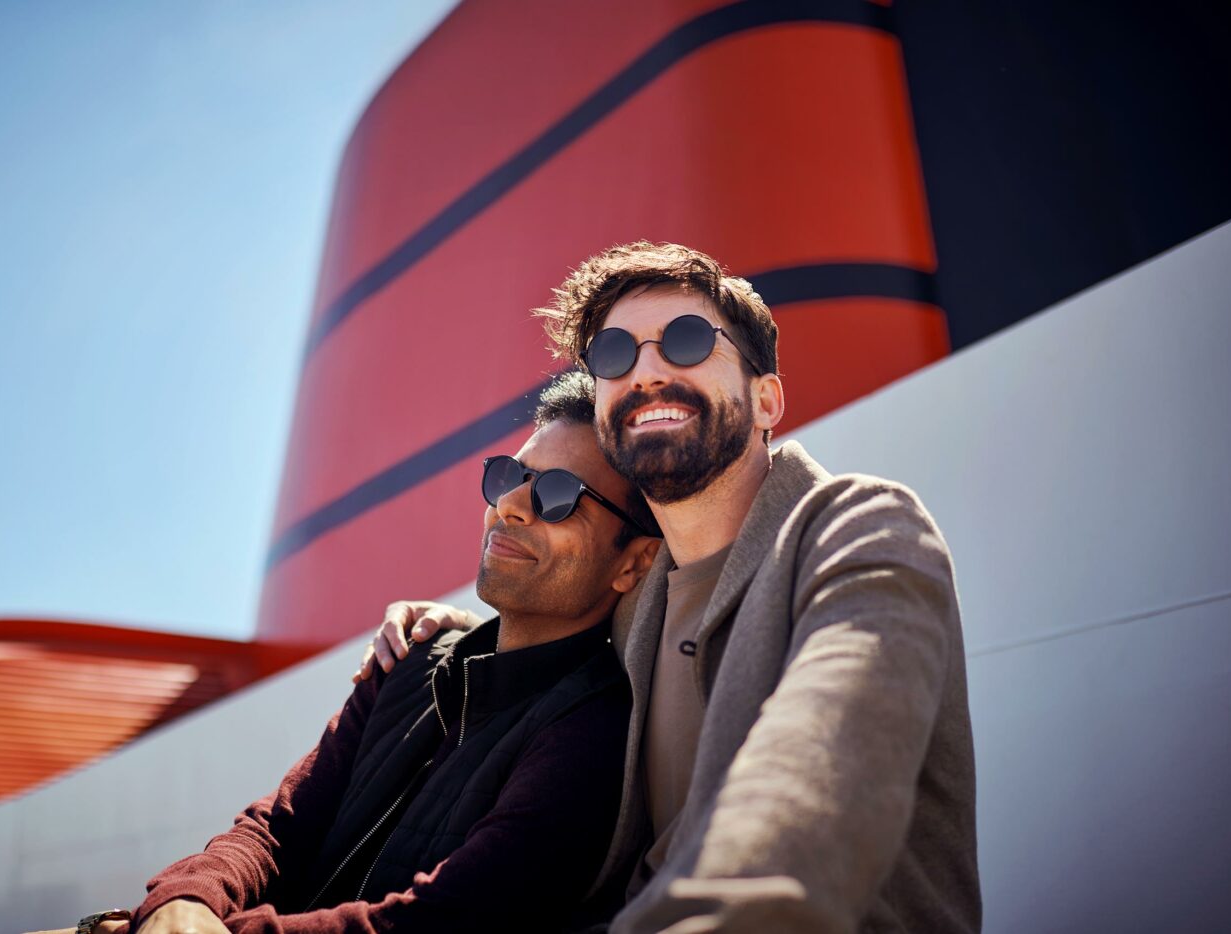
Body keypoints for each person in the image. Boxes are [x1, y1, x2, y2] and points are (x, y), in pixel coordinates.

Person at [359, 242, 982, 933]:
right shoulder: (637, 601)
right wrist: (450, 629)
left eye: (686, 341)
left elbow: (815, 775)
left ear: (766, 399)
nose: (646, 372)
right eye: (613, 356)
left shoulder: (862, 532)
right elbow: (548, 613)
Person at [56, 373, 662, 934]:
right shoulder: (410, 661)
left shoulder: (595, 732)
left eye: (559, 495)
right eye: (509, 476)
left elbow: (444, 922)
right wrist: (187, 900)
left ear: (633, 563)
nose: (510, 505)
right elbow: (278, 828)